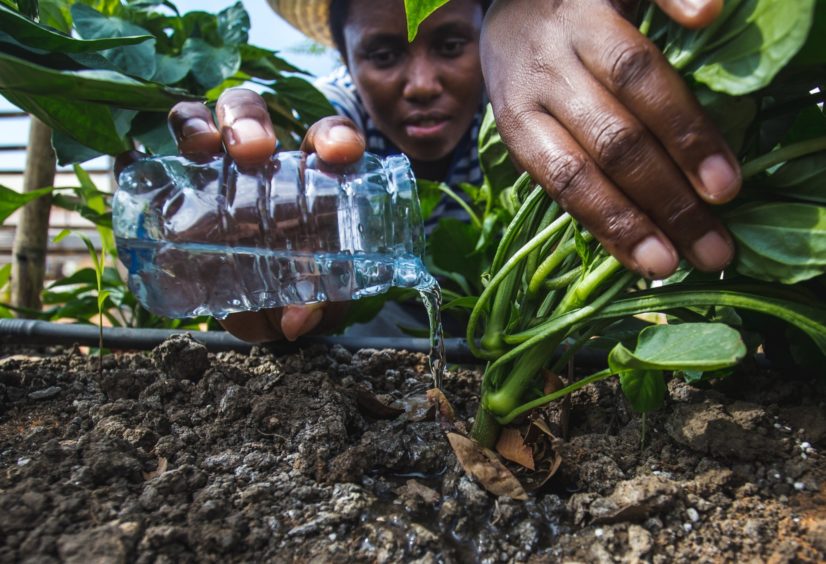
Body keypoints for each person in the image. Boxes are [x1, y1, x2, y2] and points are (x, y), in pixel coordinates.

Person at [165, 0, 739, 343]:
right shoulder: (338, 114)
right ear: (346, 60)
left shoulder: (523, 103)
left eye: (451, 42)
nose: (421, 84)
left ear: (490, 40)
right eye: (384, 55)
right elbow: (305, 132)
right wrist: (263, 181)